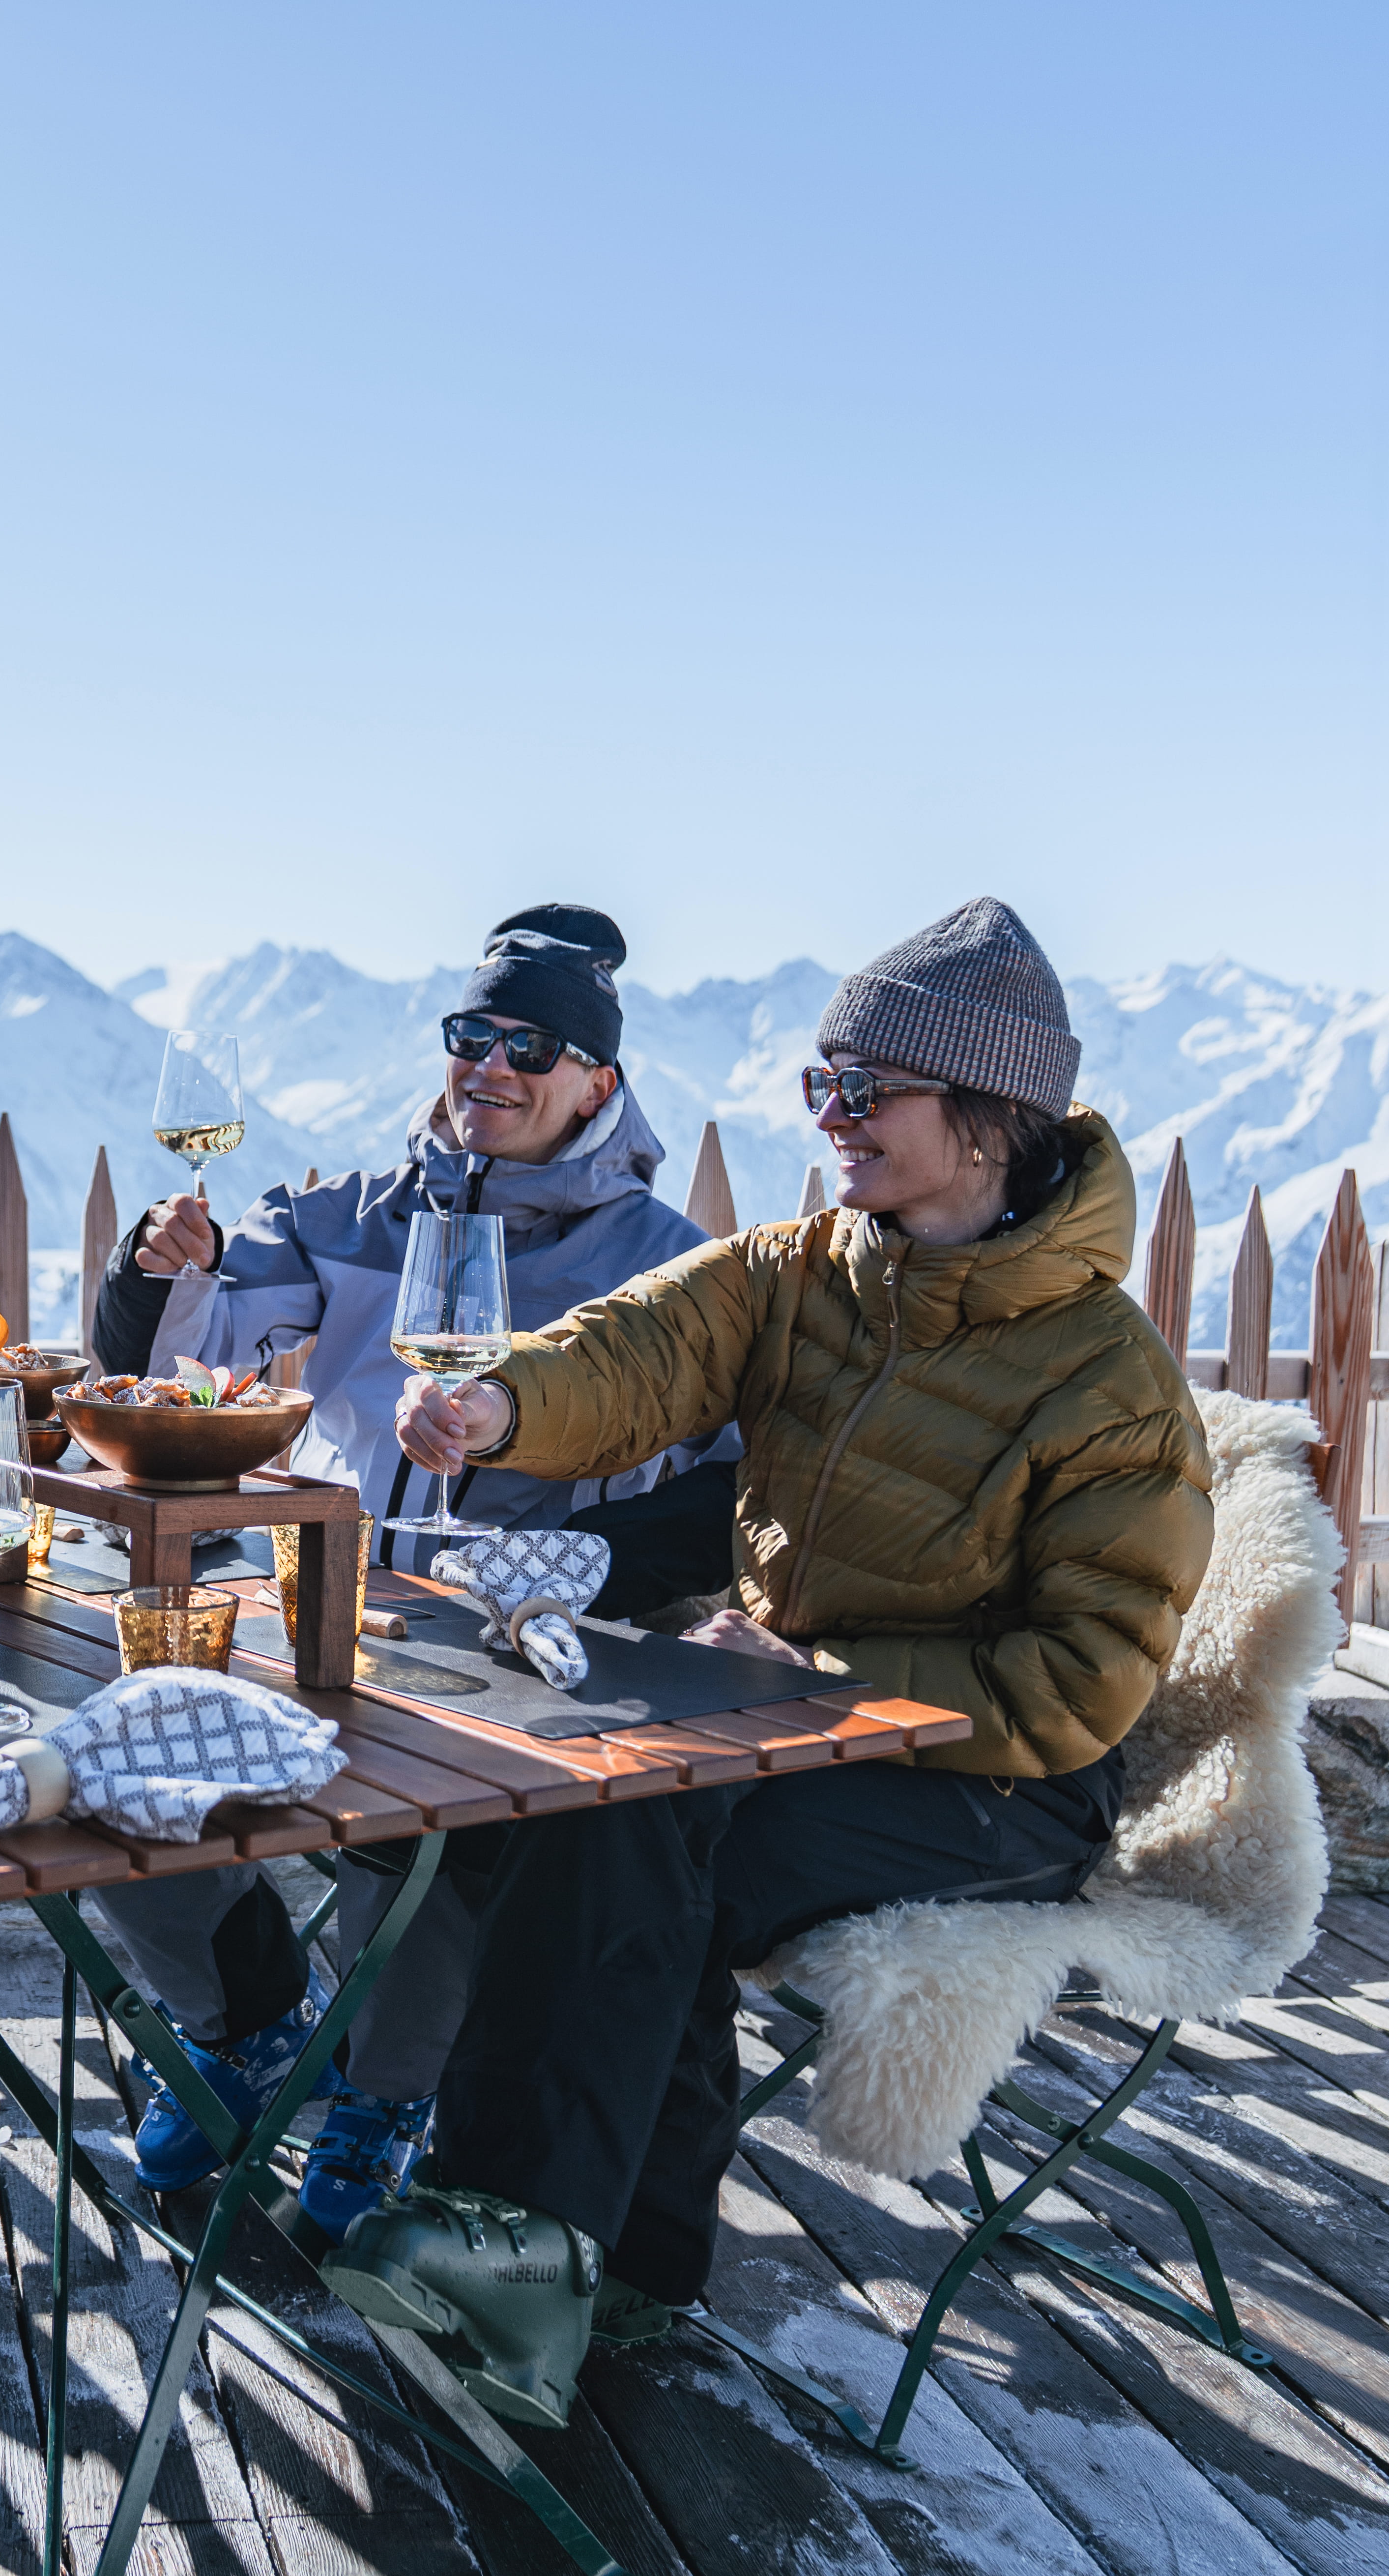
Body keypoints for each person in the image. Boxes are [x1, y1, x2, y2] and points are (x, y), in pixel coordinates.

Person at [320, 897, 1214, 2435]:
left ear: (988, 1117)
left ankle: (519, 2240)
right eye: (822, 1083)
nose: (831, 1115)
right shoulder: (806, 1272)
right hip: (788, 1724)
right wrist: (504, 1407)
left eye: (866, 1089)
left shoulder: (1108, 1382)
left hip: (994, 1784)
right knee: (612, 1817)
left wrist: (819, 1669)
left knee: (638, 1824)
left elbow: (1082, 1684)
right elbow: (637, 1351)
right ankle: (619, 2264)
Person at [78, 906, 723, 2234]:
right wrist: (157, 1264)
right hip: (325, 1601)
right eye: (471, 1035)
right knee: (120, 1750)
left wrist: (588, 1564)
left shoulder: (665, 1266)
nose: (491, 1066)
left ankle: (384, 2093)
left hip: (516, 1640)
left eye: (531, 1048)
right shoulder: (347, 1217)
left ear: (596, 1081)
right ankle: (248, 2022)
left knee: (427, 1811)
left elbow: (729, 1480)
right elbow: (177, 1362)